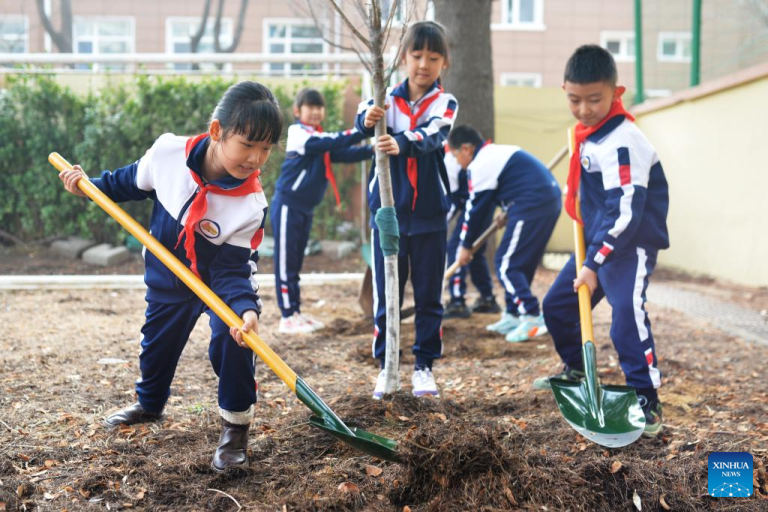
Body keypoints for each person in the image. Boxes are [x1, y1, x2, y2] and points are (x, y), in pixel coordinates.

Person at [57, 81, 283, 470]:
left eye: (265, 149)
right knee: (156, 345)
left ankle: (235, 428)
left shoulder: (250, 203)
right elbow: (126, 182)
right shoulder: (167, 154)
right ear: (217, 132)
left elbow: (233, 270)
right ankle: (149, 404)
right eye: (247, 145)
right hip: (168, 276)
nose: (256, 159)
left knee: (233, 341)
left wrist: (244, 309)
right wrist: (89, 186)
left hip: (219, 285)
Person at [532, 45, 670, 439]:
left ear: (615, 92)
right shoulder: (588, 135)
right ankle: (577, 369)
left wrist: (593, 265)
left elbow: (626, 212)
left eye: (595, 99)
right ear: (564, 91)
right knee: (557, 307)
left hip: (630, 246)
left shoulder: (624, 141)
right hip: (598, 245)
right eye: (574, 100)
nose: (584, 109)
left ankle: (646, 398)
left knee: (626, 314)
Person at [356, 21, 457, 399]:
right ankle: (387, 366)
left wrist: (402, 141)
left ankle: (424, 367)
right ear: (404, 58)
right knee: (388, 294)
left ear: (443, 63)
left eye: (433, 58)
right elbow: (365, 118)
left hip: (430, 214)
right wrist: (366, 120)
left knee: (430, 294)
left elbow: (434, 135)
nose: (423, 65)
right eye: (417, 56)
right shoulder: (385, 97)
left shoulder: (445, 102)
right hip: (388, 213)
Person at [271, 87, 373, 334]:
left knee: (295, 262)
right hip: (288, 205)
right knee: (286, 263)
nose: (315, 111)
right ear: (298, 111)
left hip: (304, 208)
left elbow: (343, 152)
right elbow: (335, 141)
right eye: (310, 107)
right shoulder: (299, 134)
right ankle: (287, 316)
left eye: (319, 107)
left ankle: (295, 312)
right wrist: (362, 129)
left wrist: (375, 149)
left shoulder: (317, 137)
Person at [451, 125, 561, 342]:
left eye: (455, 156)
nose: (457, 162)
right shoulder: (495, 153)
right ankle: (513, 314)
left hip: (532, 204)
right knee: (520, 264)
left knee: (506, 265)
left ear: (466, 149)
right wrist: (506, 209)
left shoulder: (480, 164)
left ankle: (531, 315)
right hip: (543, 201)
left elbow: (475, 210)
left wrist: (464, 246)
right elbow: (512, 185)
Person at [443, 146, 500, 319]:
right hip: (483, 203)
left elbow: (452, 203)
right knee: (476, 251)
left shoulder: (448, 159)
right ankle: (487, 298)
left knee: (458, 248)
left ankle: (457, 302)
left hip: (477, 203)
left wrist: (438, 226)